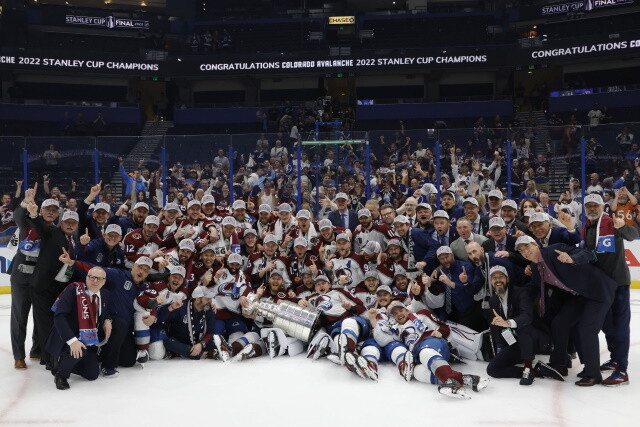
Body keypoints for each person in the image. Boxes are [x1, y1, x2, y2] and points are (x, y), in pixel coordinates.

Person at [515, 236, 618, 386]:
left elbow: (588, 253)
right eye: (521, 250)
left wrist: (572, 259)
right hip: (580, 297)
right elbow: (538, 289)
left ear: (536, 245)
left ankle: (593, 374)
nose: (525, 252)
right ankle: (560, 364)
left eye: (527, 247)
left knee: (586, 329)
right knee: (559, 322)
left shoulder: (554, 250)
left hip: (598, 292)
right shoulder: (536, 270)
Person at [582, 194, 638, 386]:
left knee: (621, 327)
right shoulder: (587, 226)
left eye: (595, 205)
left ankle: (622, 370)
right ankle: (614, 359)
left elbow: (632, 235)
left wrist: (622, 226)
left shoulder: (611, 222)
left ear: (602, 207)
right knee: (607, 326)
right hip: (600, 286)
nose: (591, 208)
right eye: (588, 205)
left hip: (618, 284)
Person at [26, 202, 80, 370]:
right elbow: (41, 226)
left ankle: (50, 354)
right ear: (61, 223)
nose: (70, 225)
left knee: (56, 322)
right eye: (67, 222)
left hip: (59, 288)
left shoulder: (75, 240)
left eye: (73, 223)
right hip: (43, 287)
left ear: (77, 226)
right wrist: (35, 215)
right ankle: (49, 359)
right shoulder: (52, 233)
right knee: (45, 324)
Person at [485, 266, 560, 385]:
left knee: (522, 327)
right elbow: (498, 326)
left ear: (507, 279)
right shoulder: (493, 300)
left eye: (501, 277)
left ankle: (528, 368)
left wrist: (508, 323)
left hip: (536, 339)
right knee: (492, 369)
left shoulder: (521, 293)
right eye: (494, 278)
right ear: (491, 281)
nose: (498, 280)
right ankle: (537, 371)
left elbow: (527, 317)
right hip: (517, 343)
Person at [46, 267, 113, 390]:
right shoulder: (73, 291)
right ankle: (61, 375)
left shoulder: (105, 294)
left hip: (90, 339)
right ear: (86, 278)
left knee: (92, 374)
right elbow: (59, 317)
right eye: (91, 277)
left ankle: (63, 362)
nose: (95, 280)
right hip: (69, 337)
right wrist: (72, 341)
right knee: (79, 348)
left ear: (104, 281)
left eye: (99, 278)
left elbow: (102, 312)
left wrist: (107, 320)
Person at [156, 286, 217, 360]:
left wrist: (201, 344)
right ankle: (200, 353)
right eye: (208, 299)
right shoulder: (181, 307)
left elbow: (210, 331)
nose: (211, 301)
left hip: (198, 342)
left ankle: (201, 351)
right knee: (169, 342)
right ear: (197, 300)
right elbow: (161, 319)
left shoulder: (208, 309)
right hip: (179, 341)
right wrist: (171, 308)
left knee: (215, 339)